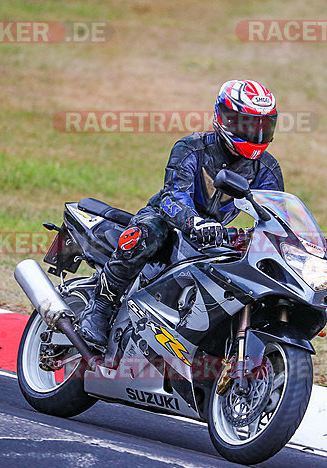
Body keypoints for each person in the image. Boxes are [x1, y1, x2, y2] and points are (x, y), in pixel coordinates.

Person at [78, 79, 285, 348]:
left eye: (262, 126)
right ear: (224, 117)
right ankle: (101, 306)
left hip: (213, 235)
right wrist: (194, 222)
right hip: (168, 220)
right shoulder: (191, 148)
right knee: (147, 233)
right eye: (247, 124)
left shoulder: (266, 169)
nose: (255, 134)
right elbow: (173, 197)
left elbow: (274, 213)